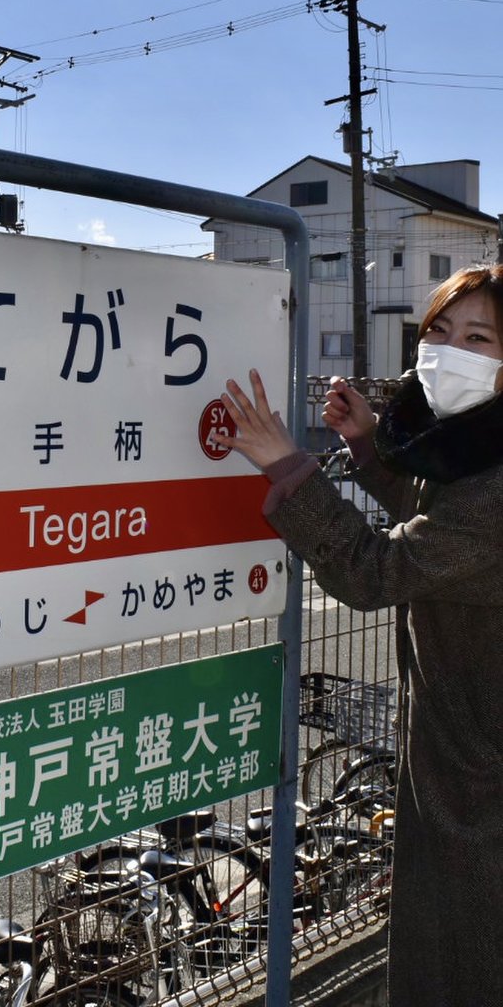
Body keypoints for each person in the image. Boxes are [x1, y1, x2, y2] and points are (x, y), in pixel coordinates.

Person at [215, 264, 503, 1007]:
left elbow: (378, 572)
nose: (448, 350)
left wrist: (289, 467)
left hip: (480, 774)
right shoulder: (479, 450)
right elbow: (440, 524)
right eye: (438, 330)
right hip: (464, 743)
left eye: (479, 337)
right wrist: (370, 450)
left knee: (461, 958)